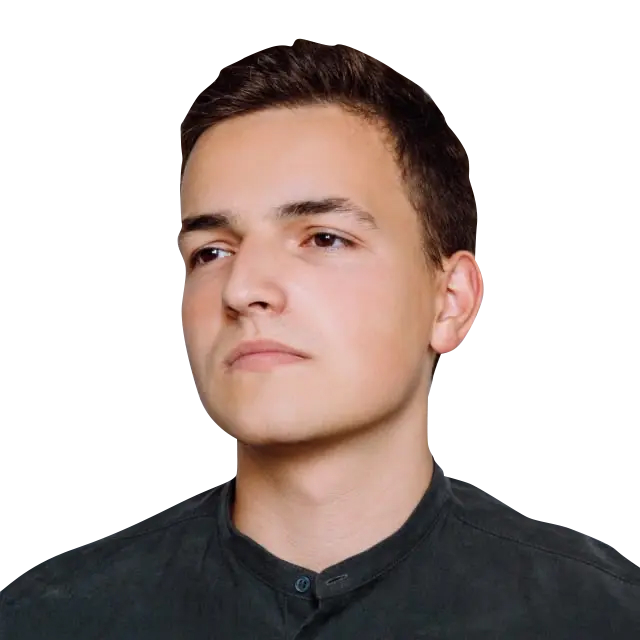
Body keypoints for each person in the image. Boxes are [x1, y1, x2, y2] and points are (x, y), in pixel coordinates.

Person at [1, 39, 637, 638]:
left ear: (450, 302)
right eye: (211, 251)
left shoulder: (600, 616)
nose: (241, 288)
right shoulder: (47, 619)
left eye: (324, 238)